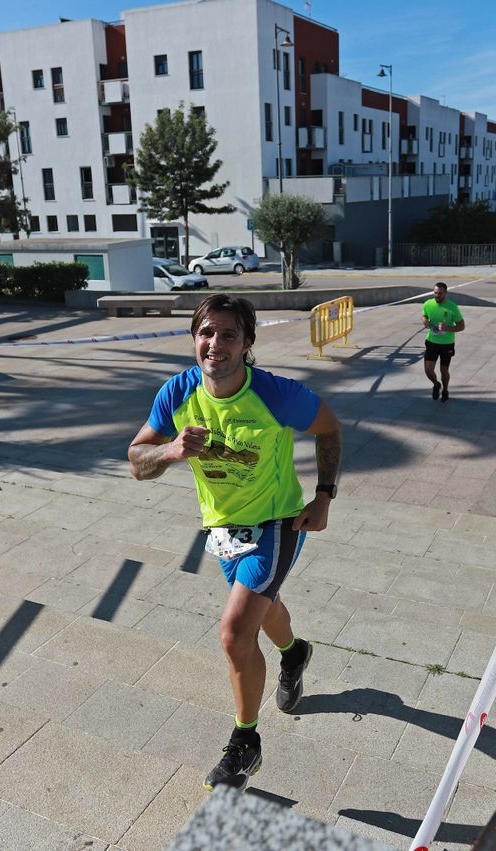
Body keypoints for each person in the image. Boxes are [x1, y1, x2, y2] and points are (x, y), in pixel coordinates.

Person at [127, 295, 343, 793]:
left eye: (228, 335)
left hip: (278, 522)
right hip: (221, 527)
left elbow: (329, 428)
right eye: (207, 333)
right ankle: (295, 652)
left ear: (247, 344)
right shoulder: (178, 391)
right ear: (193, 337)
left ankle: (246, 743)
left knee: (233, 631)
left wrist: (324, 497)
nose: (215, 344)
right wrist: (171, 450)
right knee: (264, 612)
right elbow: (136, 460)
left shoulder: (275, 394)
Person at [421, 281, 465, 401]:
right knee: (428, 370)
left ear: (445, 293)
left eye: (440, 293)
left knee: (443, 370)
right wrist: (424, 321)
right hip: (432, 341)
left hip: (447, 344)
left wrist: (448, 328)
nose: (437, 295)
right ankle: (436, 384)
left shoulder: (452, 307)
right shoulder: (428, 304)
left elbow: (461, 326)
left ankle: (445, 389)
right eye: (435, 293)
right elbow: (423, 314)